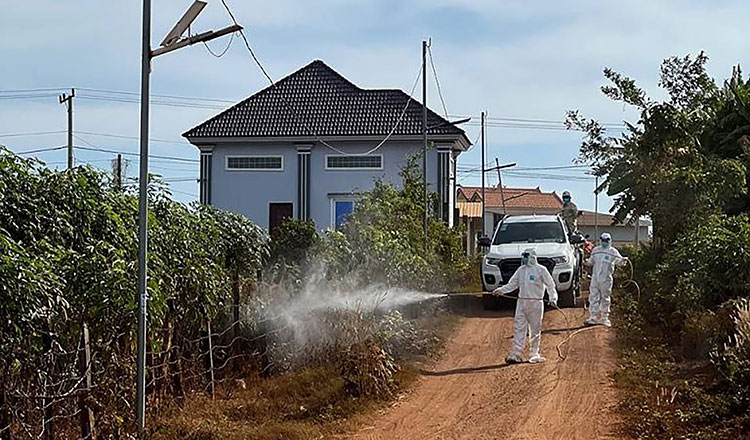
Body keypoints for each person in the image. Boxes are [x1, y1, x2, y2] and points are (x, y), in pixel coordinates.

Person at [493, 248, 558, 364]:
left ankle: (534, 354)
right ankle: (516, 354)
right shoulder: (521, 270)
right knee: (519, 328)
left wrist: (553, 298)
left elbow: (550, 285)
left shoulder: (541, 270)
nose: (523, 258)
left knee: (535, 329)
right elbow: (512, 284)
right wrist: (501, 291)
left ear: (532, 257)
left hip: (536, 303)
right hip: (522, 303)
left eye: (526, 256)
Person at [584, 232, 628, 327]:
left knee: (605, 298)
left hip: (606, 279)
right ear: (600, 240)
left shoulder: (613, 252)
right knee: (593, 297)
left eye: (606, 240)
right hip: (595, 278)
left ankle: (604, 318)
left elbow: (619, 262)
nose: (604, 242)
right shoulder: (596, 250)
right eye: (603, 240)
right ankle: (593, 317)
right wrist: (586, 261)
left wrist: (623, 260)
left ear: (610, 240)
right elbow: (591, 262)